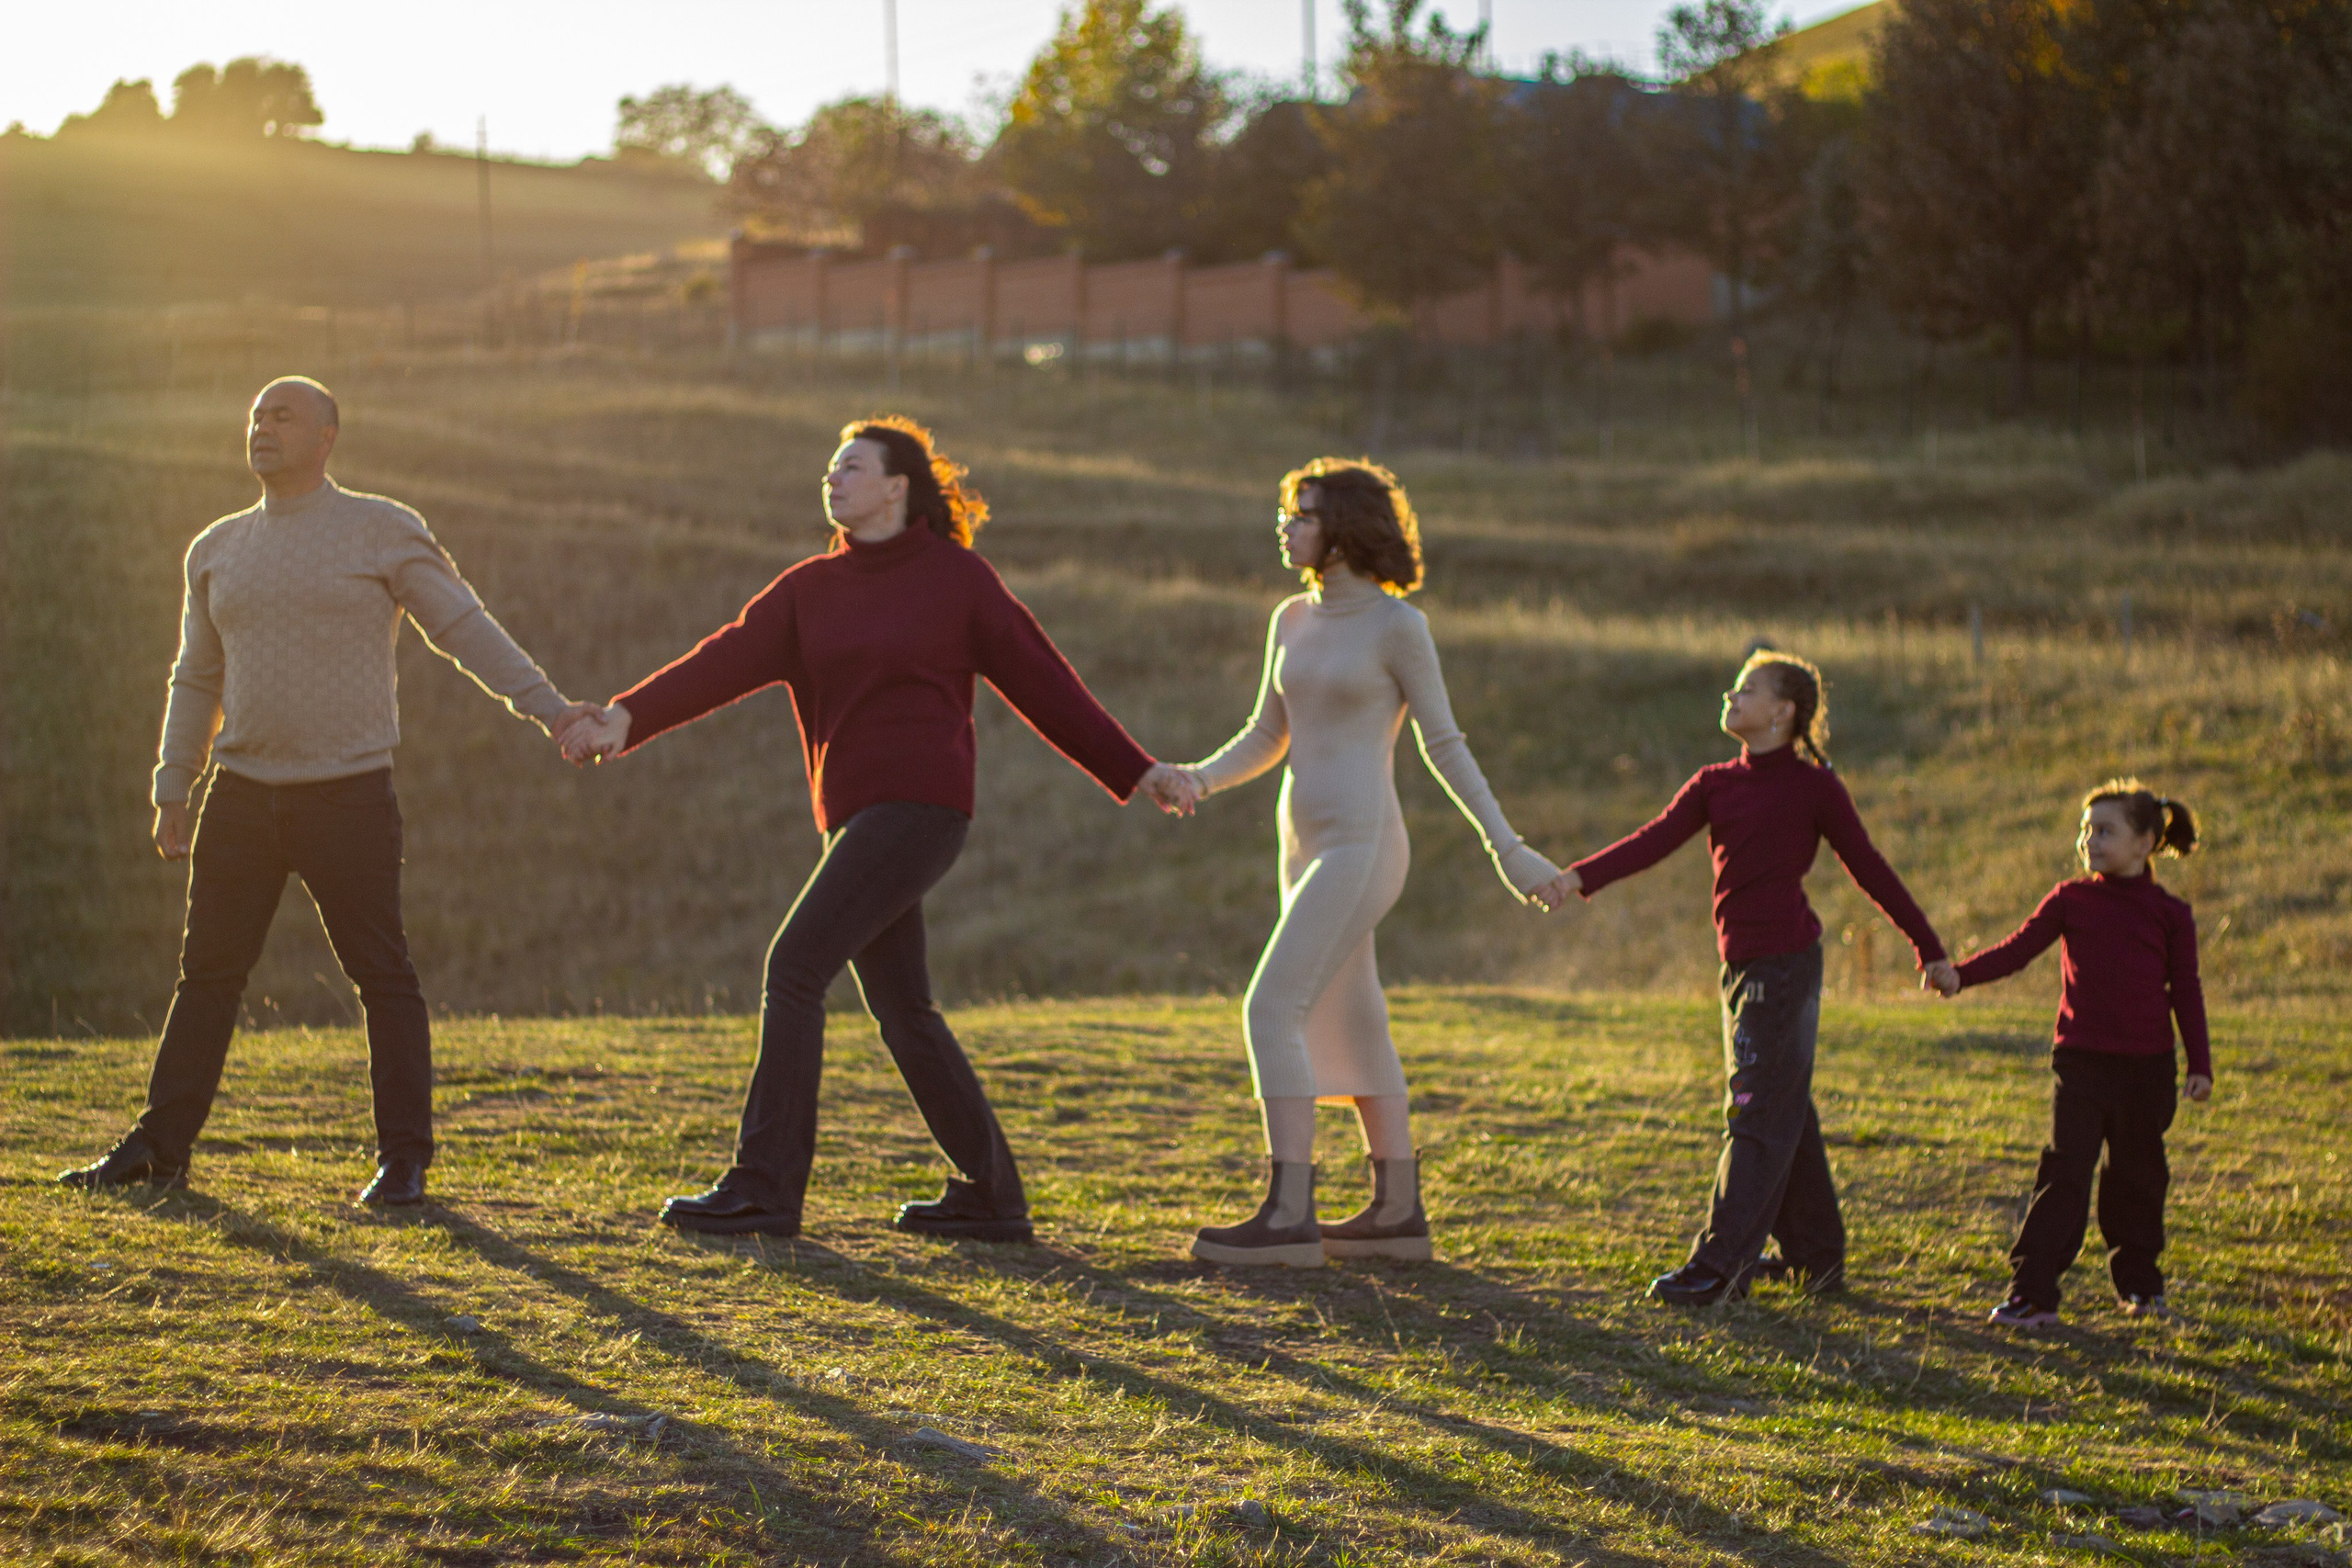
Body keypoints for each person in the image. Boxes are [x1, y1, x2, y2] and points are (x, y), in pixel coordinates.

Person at [562, 415, 1196, 1242]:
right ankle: (991, 1194)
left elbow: (1045, 682)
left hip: (923, 809)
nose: (832, 478)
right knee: (903, 1007)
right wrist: (626, 716)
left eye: (851, 466)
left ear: (898, 486)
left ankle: (764, 1185)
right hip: (858, 819)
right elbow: (722, 659)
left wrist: (1135, 767)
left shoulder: (958, 580)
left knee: (794, 966)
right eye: (830, 468)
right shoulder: (807, 591)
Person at [59, 377, 594, 1207]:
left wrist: (552, 709)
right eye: (255, 415)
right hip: (237, 794)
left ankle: (404, 1162)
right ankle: (158, 1148)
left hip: (347, 792)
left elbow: (462, 626)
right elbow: (197, 676)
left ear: (327, 437)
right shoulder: (216, 547)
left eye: (284, 415)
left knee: (381, 974)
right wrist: (174, 782)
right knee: (207, 972)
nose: (262, 426)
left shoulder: (380, 528)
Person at [1174, 459, 1564, 1269]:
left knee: (1270, 1005)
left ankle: (1288, 1216)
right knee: (1354, 1015)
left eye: (1303, 514)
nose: (1285, 526)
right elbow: (1267, 733)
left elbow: (1445, 746)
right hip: (1303, 840)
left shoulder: (1397, 627)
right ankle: (1397, 1212)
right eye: (1287, 512)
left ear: (1345, 529)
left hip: (1363, 842)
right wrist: (1198, 779)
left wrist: (1510, 850)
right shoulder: (1289, 616)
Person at [1539, 650, 1958, 1303]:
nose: (1731, 696)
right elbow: (1652, 839)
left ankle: (1717, 1267)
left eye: (1748, 689)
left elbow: (1869, 866)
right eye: (1734, 688)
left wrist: (1928, 947)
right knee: (1782, 1102)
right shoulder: (1715, 782)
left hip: (1784, 965)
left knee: (1756, 1109)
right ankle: (1815, 1259)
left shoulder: (1815, 786)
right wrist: (1576, 877)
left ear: (1784, 711)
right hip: (1740, 965)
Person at [1935, 780, 2211, 1329]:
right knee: (2064, 1175)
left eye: (2105, 831)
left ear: (2146, 842)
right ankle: (2032, 1294)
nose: (2089, 841)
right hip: (2081, 1063)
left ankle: (2140, 1287)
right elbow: (2017, 949)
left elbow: (2186, 989)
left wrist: (2199, 1064)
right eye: (2085, 831)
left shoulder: (2171, 913)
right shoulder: (2070, 899)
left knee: (2137, 1177)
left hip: (2147, 1069)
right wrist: (1960, 975)